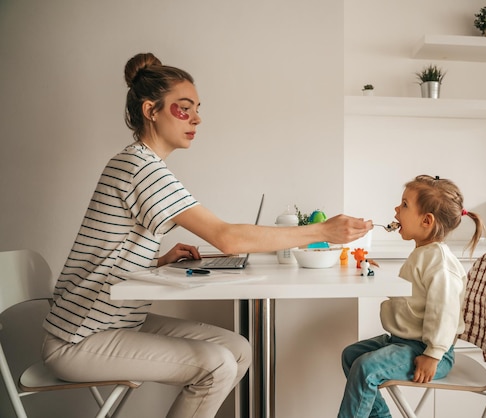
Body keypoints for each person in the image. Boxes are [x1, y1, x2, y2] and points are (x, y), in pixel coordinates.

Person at [41, 52, 372, 418]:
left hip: (116, 321)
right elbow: (227, 238)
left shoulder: (142, 164)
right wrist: (321, 231)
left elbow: (109, 249)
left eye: (197, 108)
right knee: (217, 365)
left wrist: (157, 260)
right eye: (184, 109)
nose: (197, 118)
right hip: (80, 338)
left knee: (239, 350)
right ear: (151, 110)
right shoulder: (141, 167)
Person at [337, 174, 484, 418]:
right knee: (351, 355)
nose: (396, 208)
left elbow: (445, 311)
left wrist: (432, 354)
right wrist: (377, 274)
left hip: (426, 349)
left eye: (405, 204)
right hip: (403, 341)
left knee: (365, 367)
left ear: (427, 220)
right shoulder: (423, 253)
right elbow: (410, 292)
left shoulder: (440, 262)